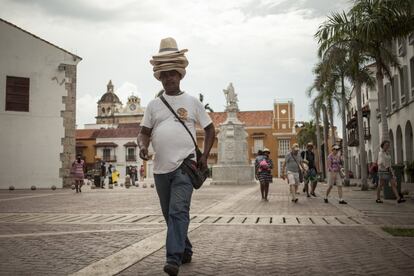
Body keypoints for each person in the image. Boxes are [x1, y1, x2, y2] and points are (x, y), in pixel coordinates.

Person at [137, 37, 215, 276]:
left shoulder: (192, 102)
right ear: (159, 77)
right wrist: (142, 146)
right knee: (169, 216)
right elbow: (143, 133)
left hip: (185, 166)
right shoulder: (153, 105)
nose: (169, 78)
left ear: (180, 75)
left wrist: (204, 157)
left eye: (173, 74)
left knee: (178, 211)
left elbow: (211, 129)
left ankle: (173, 259)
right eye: (164, 75)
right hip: (161, 170)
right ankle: (185, 249)